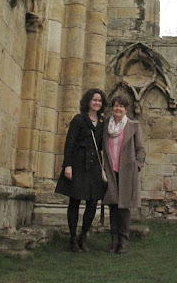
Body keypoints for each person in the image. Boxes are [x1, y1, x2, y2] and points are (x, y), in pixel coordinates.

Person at [55, 88, 107, 252]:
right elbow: (70, 142)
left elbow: (102, 146)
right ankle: (72, 238)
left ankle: (83, 236)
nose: (97, 103)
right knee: (75, 201)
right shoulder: (78, 119)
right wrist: (67, 165)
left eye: (99, 100)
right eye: (94, 100)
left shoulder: (101, 123)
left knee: (92, 203)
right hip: (78, 164)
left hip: (94, 167)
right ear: (88, 102)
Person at [102, 94, 145, 254]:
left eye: (121, 106)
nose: (118, 108)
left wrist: (137, 165)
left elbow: (141, 148)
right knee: (113, 206)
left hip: (127, 171)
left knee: (124, 207)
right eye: (115, 106)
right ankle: (114, 241)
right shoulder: (106, 126)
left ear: (125, 109)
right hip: (110, 171)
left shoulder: (133, 125)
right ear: (112, 108)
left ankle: (124, 241)